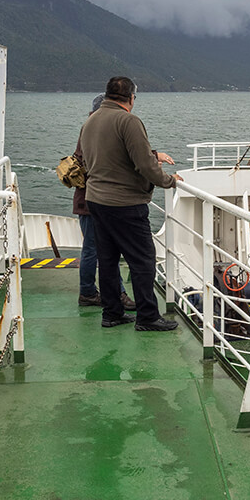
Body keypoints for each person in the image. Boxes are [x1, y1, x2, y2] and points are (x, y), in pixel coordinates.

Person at [80, 76, 181, 332]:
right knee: (143, 260)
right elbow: (145, 164)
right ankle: (147, 317)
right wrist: (169, 181)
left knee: (108, 259)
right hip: (124, 203)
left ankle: (112, 313)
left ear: (106, 95)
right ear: (131, 98)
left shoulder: (90, 122)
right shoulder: (129, 121)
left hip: (95, 200)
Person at [73, 94, 135, 311]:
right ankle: (107, 294)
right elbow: (118, 157)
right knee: (100, 249)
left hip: (87, 199)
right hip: (96, 199)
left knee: (94, 248)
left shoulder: (88, 128)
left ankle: (90, 292)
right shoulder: (99, 129)